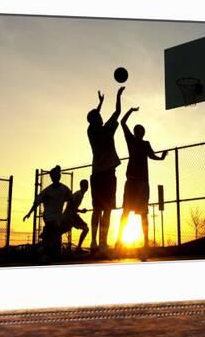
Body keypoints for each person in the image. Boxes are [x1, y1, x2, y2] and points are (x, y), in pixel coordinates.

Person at [116, 107, 167, 251]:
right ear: (134, 132)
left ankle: (145, 244)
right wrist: (131, 110)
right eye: (136, 130)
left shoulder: (146, 144)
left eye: (140, 130)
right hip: (131, 181)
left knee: (143, 213)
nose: (138, 132)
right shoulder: (130, 140)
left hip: (142, 182)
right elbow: (122, 122)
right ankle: (119, 241)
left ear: (143, 133)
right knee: (126, 211)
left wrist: (161, 158)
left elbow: (152, 156)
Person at [87, 86, 125, 252]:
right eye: (99, 115)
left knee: (98, 209)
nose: (101, 115)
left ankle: (95, 242)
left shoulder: (90, 130)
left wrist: (100, 103)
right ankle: (101, 242)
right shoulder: (107, 129)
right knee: (106, 209)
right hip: (108, 174)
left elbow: (93, 116)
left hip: (97, 174)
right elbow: (117, 112)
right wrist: (118, 95)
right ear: (97, 119)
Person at [24, 165, 71, 260]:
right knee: (54, 231)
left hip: (58, 217)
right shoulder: (47, 191)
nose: (56, 177)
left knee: (53, 236)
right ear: (51, 177)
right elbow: (36, 202)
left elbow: (71, 200)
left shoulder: (65, 189)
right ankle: (45, 248)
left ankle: (40, 249)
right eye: (53, 176)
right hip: (49, 216)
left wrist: (73, 212)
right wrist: (29, 213)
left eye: (57, 175)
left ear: (59, 176)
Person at [60, 179, 90, 252]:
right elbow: (71, 205)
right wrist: (81, 211)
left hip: (70, 215)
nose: (87, 187)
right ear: (82, 186)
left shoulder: (80, 194)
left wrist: (80, 211)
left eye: (87, 185)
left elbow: (72, 206)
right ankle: (78, 248)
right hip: (70, 216)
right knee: (86, 228)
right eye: (85, 185)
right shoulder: (79, 194)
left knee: (61, 231)